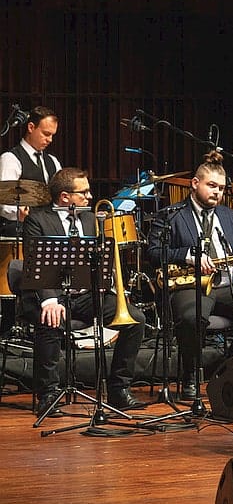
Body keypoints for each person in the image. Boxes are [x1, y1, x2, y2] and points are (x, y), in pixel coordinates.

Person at [145, 152, 233, 400]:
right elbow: (152, 253)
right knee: (192, 317)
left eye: (221, 188)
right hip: (190, 286)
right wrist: (187, 255)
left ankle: (229, 364)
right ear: (195, 183)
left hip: (227, 285)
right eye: (212, 186)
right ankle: (191, 374)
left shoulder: (231, 216)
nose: (217, 192)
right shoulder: (170, 215)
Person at [22, 167, 147, 416]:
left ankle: (119, 389)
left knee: (136, 320)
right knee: (50, 319)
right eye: (84, 192)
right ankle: (48, 394)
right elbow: (33, 264)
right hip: (54, 295)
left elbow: (99, 261)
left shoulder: (91, 220)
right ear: (65, 197)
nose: (90, 197)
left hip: (86, 295)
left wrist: (104, 280)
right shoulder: (37, 220)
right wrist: (50, 300)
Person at [1, 106, 61, 236]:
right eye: (46, 134)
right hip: (22, 228)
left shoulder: (53, 161)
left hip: (49, 228)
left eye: (52, 135)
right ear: (31, 127)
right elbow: (5, 203)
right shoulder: (11, 159)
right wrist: (19, 213)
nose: (50, 140)